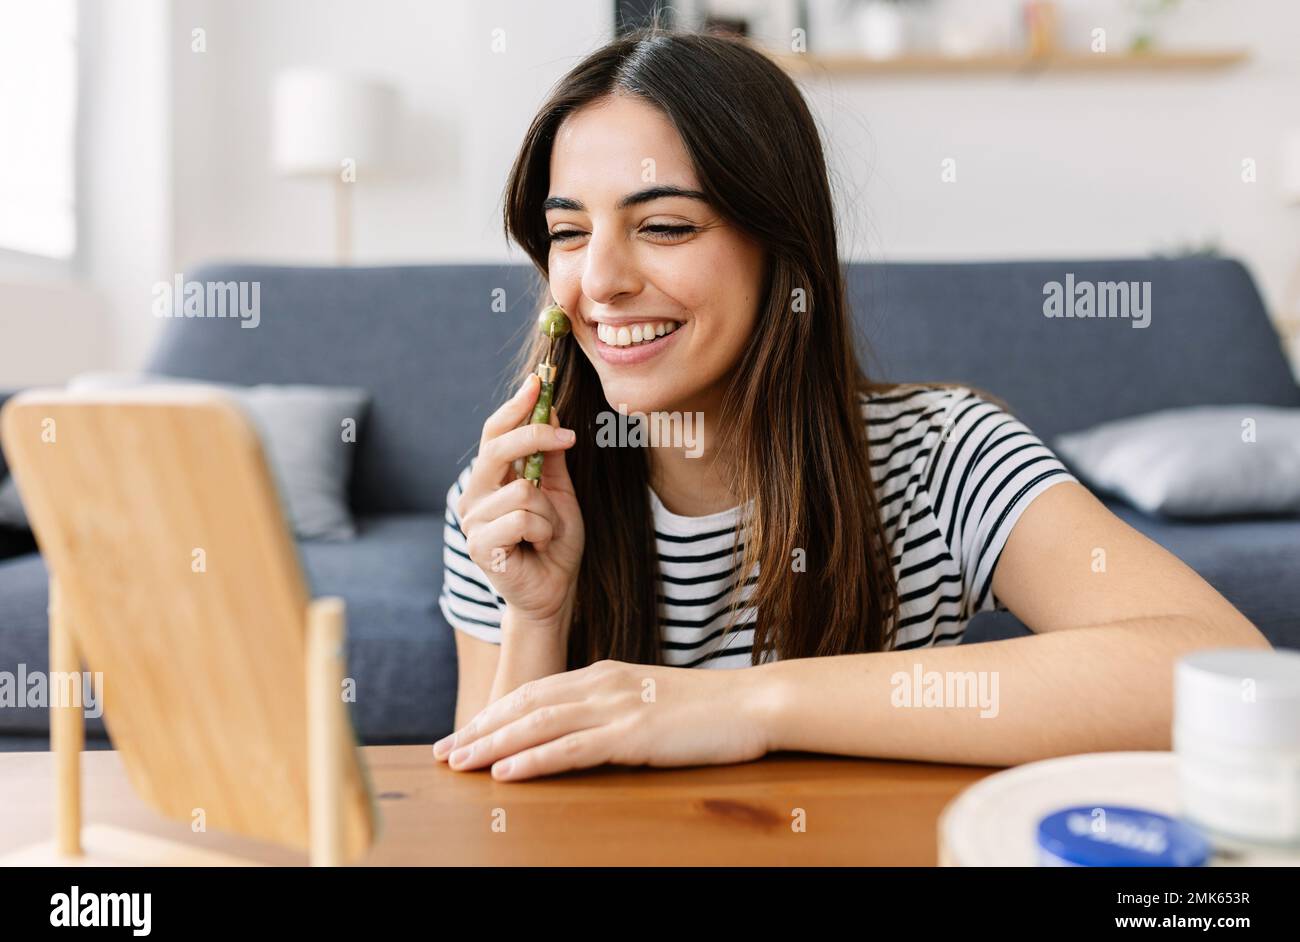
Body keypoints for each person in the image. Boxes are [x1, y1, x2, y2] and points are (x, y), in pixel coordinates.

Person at [434, 26, 1268, 782]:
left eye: (665, 227)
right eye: (569, 233)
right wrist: (535, 613)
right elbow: (494, 809)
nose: (602, 283)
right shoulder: (513, 496)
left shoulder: (942, 454)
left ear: (783, 250)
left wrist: (742, 705)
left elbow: (1221, 670)